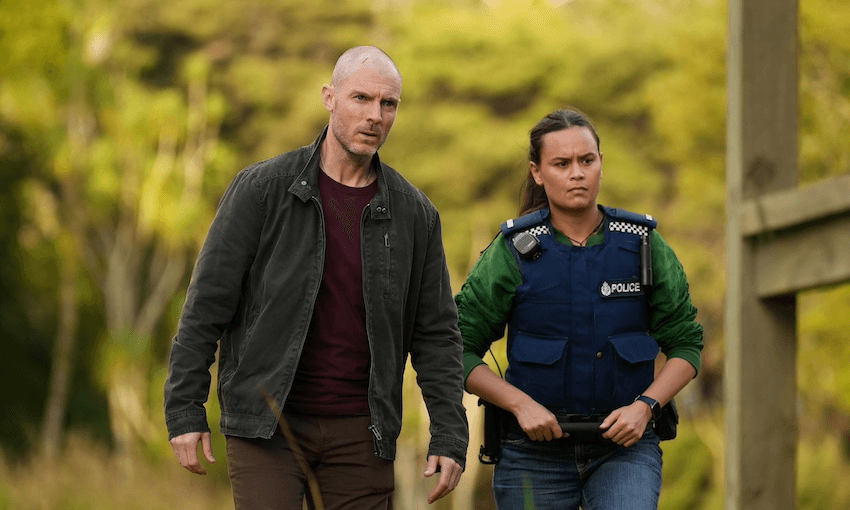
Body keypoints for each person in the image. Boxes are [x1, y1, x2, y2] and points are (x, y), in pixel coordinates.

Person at [164, 45, 468, 509]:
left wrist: (449, 433)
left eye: (389, 104)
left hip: (362, 432)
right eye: (361, 99)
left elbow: (436, 335)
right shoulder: (262, 190)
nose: (375, 116)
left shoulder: (415, 215)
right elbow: (206, 307)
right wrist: (185, 409)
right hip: (268, 424)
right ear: (329, 97)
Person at [455, 108, 703, 509]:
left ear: (601, 163)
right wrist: (520, 404)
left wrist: (646, 406)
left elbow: (687, 345)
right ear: (538, 172)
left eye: (587, 160)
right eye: (561, 163)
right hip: (531, 455)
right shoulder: (512, 252)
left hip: (625, 451)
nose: (577, 173)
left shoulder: (644, 245)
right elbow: (456, 347)